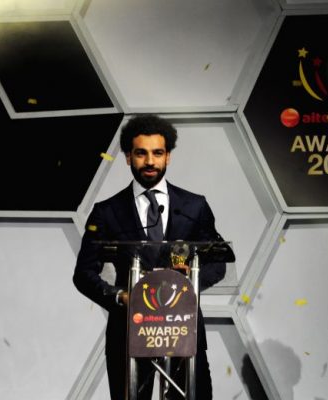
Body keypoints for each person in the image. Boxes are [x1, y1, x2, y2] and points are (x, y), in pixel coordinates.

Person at [73, 114, 227, 399]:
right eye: (141, 153)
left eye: (157, 153)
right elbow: (83, 274)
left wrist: (185, 289)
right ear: (128, 157)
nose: (150, 161)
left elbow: (218, 263)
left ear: (168, 156)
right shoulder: (106, 212)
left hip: (183, 329)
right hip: (128, 330)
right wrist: (122, 297)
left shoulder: (194, 206)